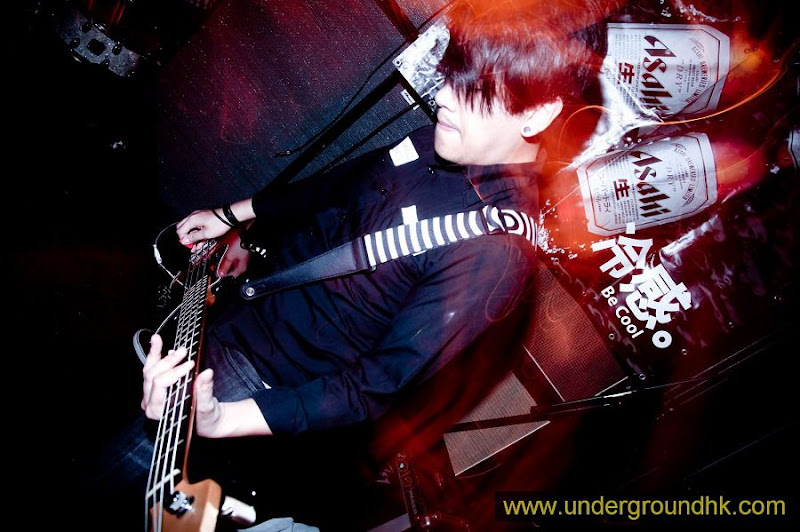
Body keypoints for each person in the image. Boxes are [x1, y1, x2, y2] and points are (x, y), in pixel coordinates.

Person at [85, 1, 603, 530]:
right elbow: (339, 190)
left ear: (539, 113)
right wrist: (234, 219)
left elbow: (377, 385)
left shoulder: (494, 252)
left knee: (113, 488)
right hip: (245, 310)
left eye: (474, 89)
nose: (445, 96)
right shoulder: (441, 142)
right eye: (452, 74)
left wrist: (221, 420)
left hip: (260, 380)